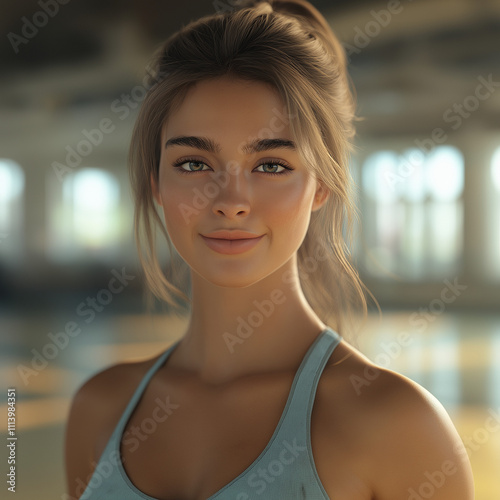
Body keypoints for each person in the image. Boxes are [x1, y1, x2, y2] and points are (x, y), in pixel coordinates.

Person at [64, 1, 475, 498]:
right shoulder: (99, 409)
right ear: (155, 183)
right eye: (194, 164)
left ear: (321, 185)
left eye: (272, 165)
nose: (231, 201)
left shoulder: (397, 425)